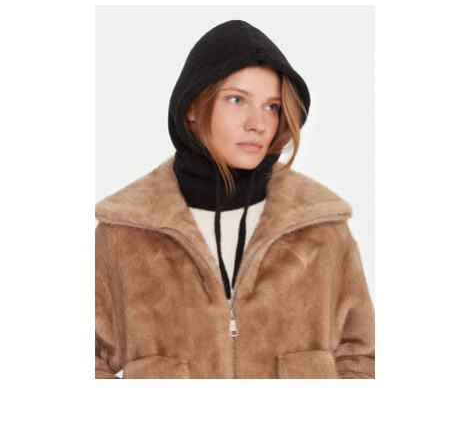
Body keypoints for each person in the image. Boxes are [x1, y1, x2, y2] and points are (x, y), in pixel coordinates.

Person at [95, 19, 375, 379]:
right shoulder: (125, 231)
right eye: (236, 100)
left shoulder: (322, 228)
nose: (258, 123)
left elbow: (363, 358)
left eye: (272, 106)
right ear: (192, 107)